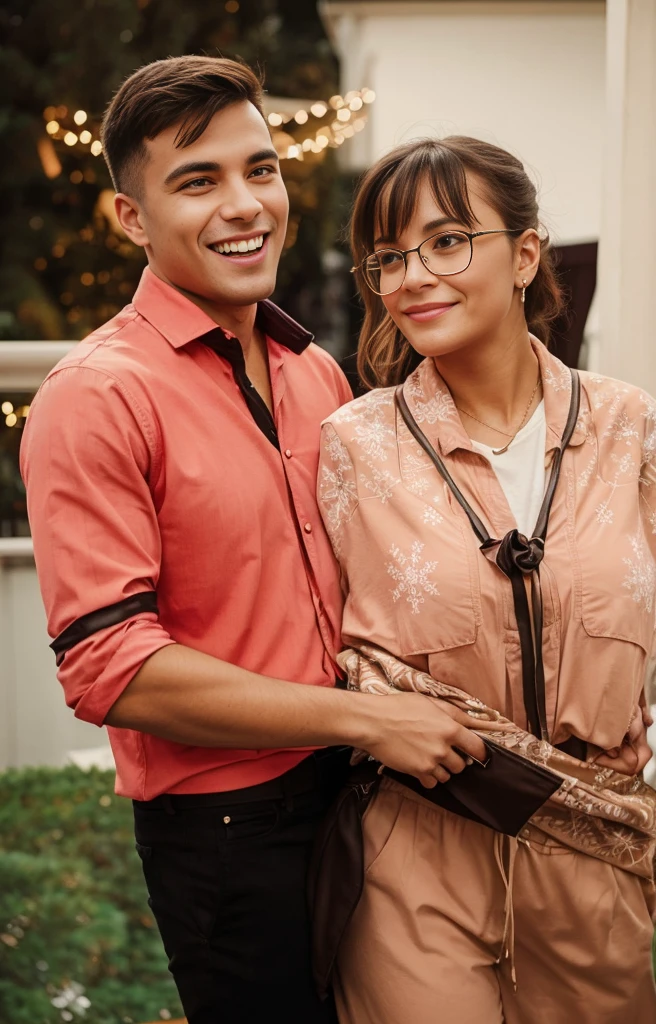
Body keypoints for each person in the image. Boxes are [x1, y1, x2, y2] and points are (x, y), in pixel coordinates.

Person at [20, 59, 486, 1024]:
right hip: (229, 834)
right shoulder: (92, 397)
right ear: (130, 219)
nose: (245, 206)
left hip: (365, 794)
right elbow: (110, 668)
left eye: (260, 170)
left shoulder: (314, 371)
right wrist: (363, 721)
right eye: (198, 182)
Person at [317, 136, 656, 1024]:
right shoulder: (351, 446)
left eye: (447, 240)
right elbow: (310, 647)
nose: (414, 276)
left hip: (602, 856)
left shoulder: (631, 427)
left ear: (527, 255)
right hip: (419, 851)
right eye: (389, 257)